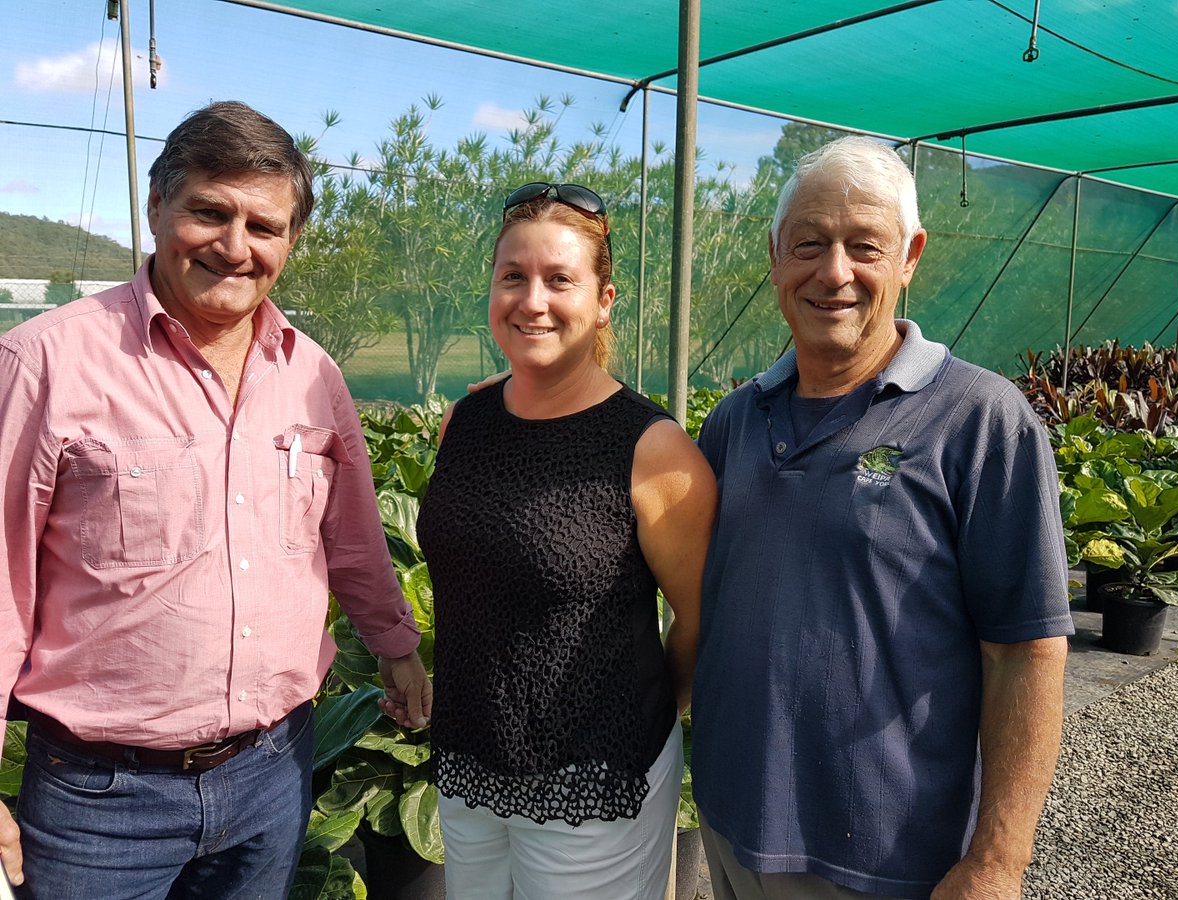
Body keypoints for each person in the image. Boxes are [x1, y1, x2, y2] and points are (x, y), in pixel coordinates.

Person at [0, 100, 431, 898]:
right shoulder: (44, 363)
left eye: (264, 226)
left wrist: (396, 645)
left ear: (290, 240)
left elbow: (352, 536)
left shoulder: (313, 375)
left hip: (274, 772)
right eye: (209, 212)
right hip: (100, 798)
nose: (235, 247)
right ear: (157, 205)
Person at [691, 136, 1074, 900]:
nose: (834, 272)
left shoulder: (979, 420)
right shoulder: (735, 420)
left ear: (909, 257)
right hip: (728, 829)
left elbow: (1026, 653)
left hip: (885, 860)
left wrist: (997, 862)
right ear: (775, 257)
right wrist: (532, 399)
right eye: (809, 244)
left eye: (864, 246)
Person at [409, 182, 716, 900]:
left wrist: (642, 711)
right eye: (513, 277)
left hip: (596, 780)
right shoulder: (465, 422)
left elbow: (701, 618)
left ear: (604, 301)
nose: (532, 300)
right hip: (469, 761)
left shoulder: (653, 450)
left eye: (559, 280)